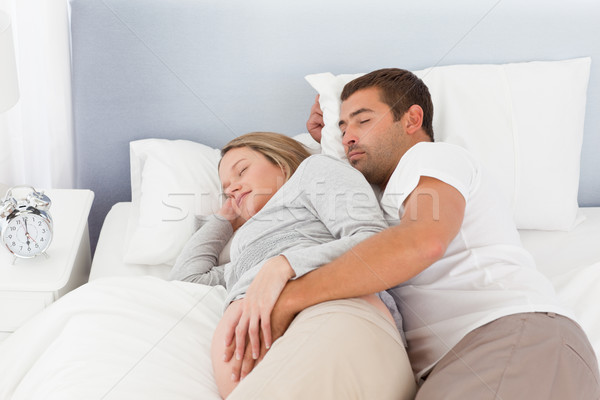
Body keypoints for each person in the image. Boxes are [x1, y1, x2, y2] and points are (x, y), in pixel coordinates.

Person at [225, 70, 600, 399]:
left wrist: (290, 295)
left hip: (511, 337)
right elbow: (326, 193)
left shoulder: (432, 159)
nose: (348, 137)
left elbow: (423, 241)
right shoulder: (382, 197)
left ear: (411, 119)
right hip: (453, 365)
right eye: (341, 128)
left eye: (362, 121)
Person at [169, 132, 416, 399]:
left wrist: (286, 265)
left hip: (333, 318)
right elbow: (187, 278)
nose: (231, 188)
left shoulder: (312, 171)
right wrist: (224, 218)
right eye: (225, 188)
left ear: (280, 161)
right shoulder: (241, 251)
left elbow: (373, 241)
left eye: (241, 171)